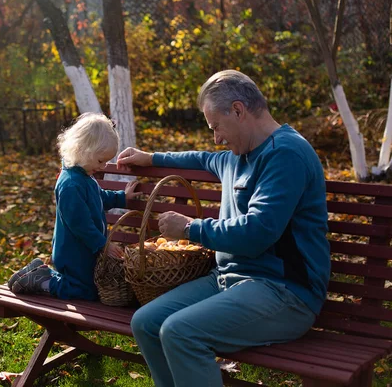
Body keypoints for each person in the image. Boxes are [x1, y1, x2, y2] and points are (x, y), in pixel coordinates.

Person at [116, 70, 330, 387]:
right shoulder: (235, 157)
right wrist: (151, 157)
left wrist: (190, 228)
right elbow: (200, 159)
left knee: (180, 332)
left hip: (285, 292)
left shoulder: (285, 155)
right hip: (229, 281)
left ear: (239, 110)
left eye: (216, 126)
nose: (216, 138)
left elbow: (257, 232)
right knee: (146, 322)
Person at [8, 112, 141, 300]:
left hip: (85, 248)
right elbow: (80, 224)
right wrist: (102, 245)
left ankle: (40, 273)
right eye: (101, 160)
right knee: (84, 291)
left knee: (85, 285)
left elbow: (98, 197)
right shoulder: (71, 184)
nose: (103, 166)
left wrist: (122, 198)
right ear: (83, 150)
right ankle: (44, 282)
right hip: (74, 251)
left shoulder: (83, 176)